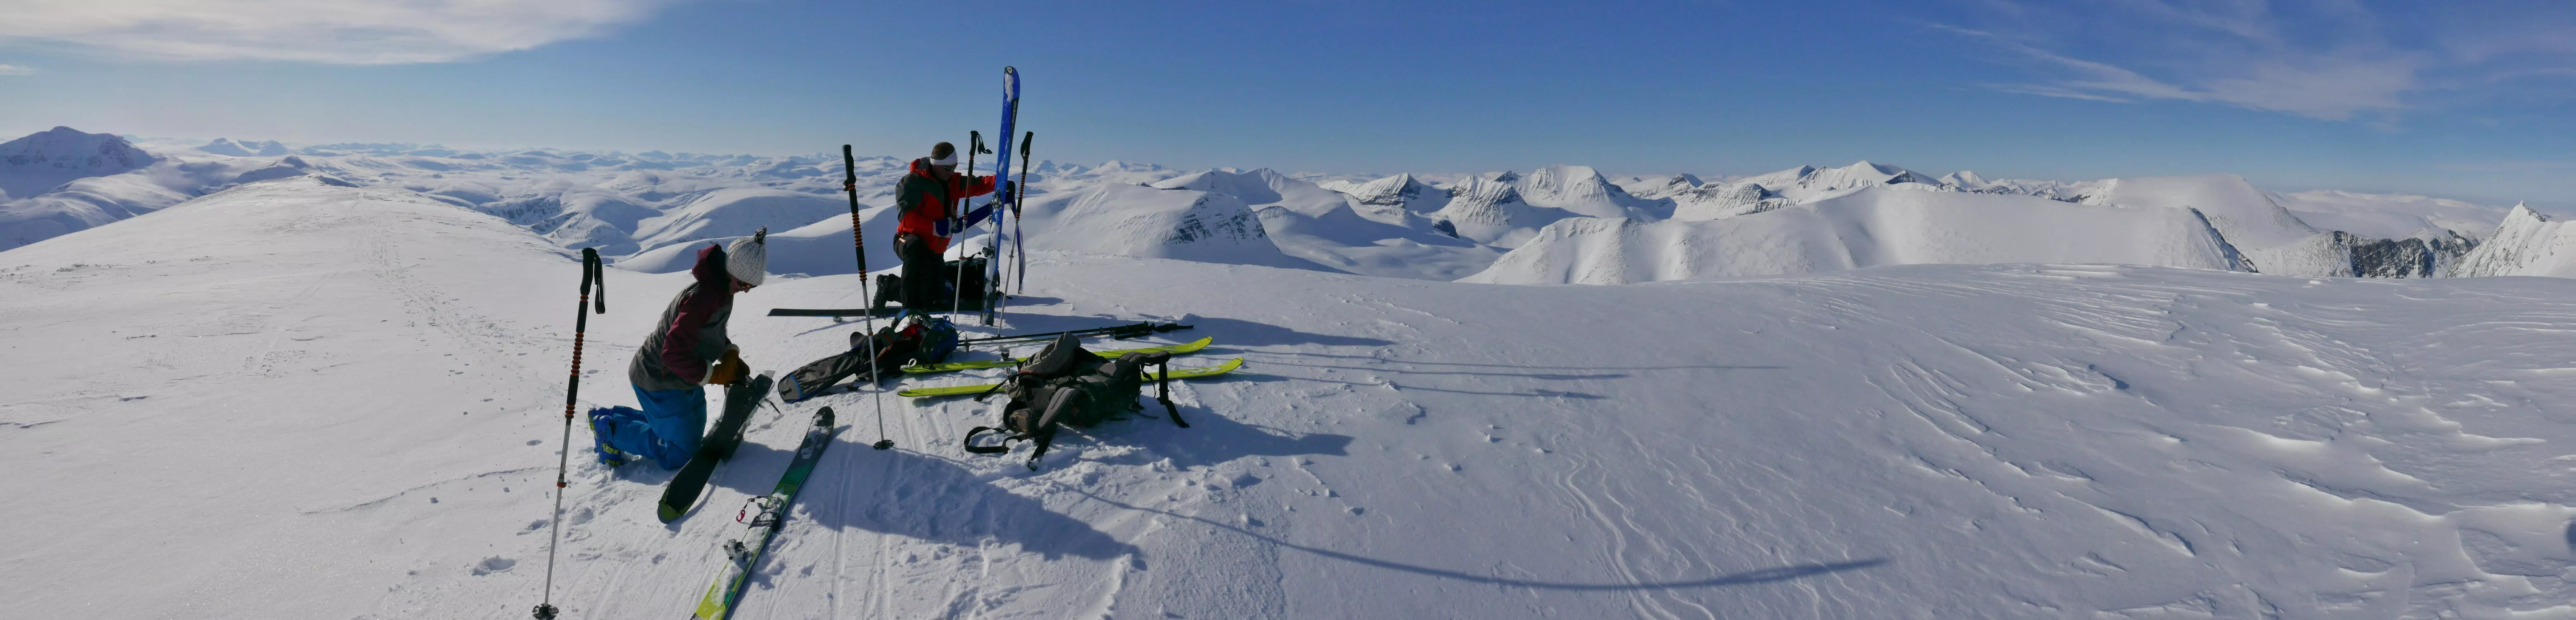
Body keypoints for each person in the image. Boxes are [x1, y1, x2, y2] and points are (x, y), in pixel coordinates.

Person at [588, 231, 766, 468]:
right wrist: (715, 375)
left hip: (685, 377)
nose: (745, 290)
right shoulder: (703, 297)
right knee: (683, 453)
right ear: (731, 271)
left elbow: (709, 331)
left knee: (690, 431)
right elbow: (673, 353)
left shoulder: (722, 290)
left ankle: (612, 418)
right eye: (744, 284)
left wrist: (728, 353)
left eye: (751, 287)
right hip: (659, 377)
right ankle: (610, 432)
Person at [890, 142, 996, 310]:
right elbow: (906, 218)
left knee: (933, 296)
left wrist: (1000, 182)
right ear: (936, 165)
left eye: (954, 167)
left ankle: (889, 286)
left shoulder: (952, 181)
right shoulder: (913, 182)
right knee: (915, 251)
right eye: (948, 168)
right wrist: (935, 227)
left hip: (934, 247)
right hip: (907, 241)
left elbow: (979, 184)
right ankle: (911, 312)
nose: (952, 172)